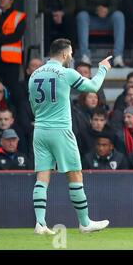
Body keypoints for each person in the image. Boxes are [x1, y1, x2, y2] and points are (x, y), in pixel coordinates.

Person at [28, 38, 111, 234]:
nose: (71, 56)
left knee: (42, 176)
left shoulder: (34, 75)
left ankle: (40, 223)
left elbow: (33, 106)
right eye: (71, 53)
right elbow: (93, 87)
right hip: (61, 130)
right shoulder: (66, 73)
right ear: (65, 54)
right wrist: (103, 69)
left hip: (39, 130)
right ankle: (84, 222)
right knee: (75, 174)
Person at [75, 0, 125, 67]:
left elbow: (116, 4)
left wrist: (107, 10)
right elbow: (80, 5)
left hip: (108, 19)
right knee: (81, 16)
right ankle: (85, 56)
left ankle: (118, 56)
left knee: (119, 16)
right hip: (90, 20)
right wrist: (96, 10)